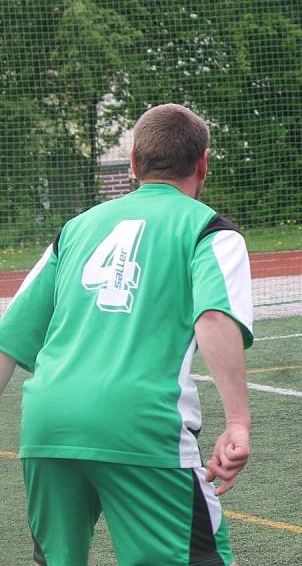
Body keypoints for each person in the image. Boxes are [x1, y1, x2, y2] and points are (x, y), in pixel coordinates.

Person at [0, 103, 254, 565]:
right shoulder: (210, 231)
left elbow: (7, 339)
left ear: (134, 164)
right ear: (203, 164)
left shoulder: (75, 229)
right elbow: (215, 318)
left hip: (47, 423)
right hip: (141, 425)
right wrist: (237, 422)